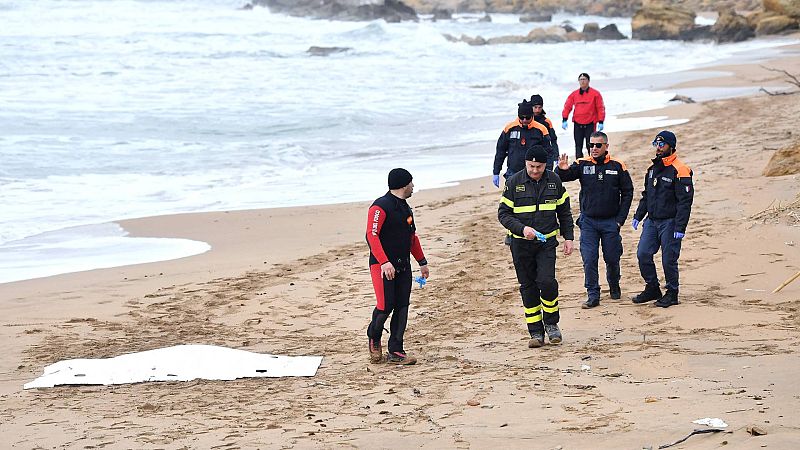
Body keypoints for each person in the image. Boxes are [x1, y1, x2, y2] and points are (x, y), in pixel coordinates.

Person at [498, 145, 574, 348]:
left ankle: (551, 324)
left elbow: (564, 211)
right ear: (525, 163)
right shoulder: (514, 183)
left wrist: (568, 237)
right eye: (531, 166)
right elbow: (503, 214)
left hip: (546, 243)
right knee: (528, 287)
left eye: (539, 167)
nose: (534, 170)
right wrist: (522, 229)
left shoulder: (554, 181)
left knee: (547, 282)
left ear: (545, 165)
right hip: (521, 244)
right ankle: (535, 332)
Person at [555, 131, 634, 309]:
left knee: (612, 258)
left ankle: (614, 284)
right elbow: (562, 177)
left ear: (606, 146)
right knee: (589, 259)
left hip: (611, 222)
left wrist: (620, 220)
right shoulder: (582, 164)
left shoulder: (618, 166)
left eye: (598, 145)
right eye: (591, 145)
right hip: (588, 222)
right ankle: (593, 294)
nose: (594, 148)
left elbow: (628, 192)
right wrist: (561, 168)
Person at [366, 168, 430, 364]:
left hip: (403, 266)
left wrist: (422, 262)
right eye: (411, 183)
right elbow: (371, 235)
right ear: (403, 185)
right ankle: (374, 336)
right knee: (385, 307)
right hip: (382, 266)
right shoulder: (380, 207)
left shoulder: (406, 208)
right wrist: (384, 262)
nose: (413, 186)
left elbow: (412, 237)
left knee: (402, 307)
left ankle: (396, 350)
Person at [631, 131, 693, 308]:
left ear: (671, 146)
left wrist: (680, 227)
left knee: (668, 259)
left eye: (661, 144)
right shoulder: (652, 170)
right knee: (643, 253)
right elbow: (647, 195)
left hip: (670, 222)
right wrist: (638, 215)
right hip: (652, 221)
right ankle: (652, 288)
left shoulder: (681, 170)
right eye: (655, 144)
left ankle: (672, 292)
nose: (658, 148)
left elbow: (685, 202)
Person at [492, 99, 553, 188]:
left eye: (527, 117)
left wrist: (548, 172)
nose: (524, 120)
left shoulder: (541, 129)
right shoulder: (509, 128)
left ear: (532, 115)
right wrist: (496, 172)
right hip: (513, 172)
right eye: (521, 117)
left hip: (534, 173)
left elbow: (549, 152)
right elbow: (500, 151)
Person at [561, 73, 606, 159]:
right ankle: (579, 164)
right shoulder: (574, 94)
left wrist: (601, 121)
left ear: (588, 81)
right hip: (578, 123)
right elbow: (567, 106)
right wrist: (564, 119)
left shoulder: (595, 94)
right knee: (578, 146)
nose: (582, 81)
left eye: (584, 79)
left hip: (590, 123)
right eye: (581, 79)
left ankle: (593, 161)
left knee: (591, 145)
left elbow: (600, 107)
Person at [530, 94, 559, 170]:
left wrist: (556, 156)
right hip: (530, 157)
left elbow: (553, 140)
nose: (537, 110)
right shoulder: (526, 121)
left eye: (540, 107)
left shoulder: (547, 122)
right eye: (535, 107)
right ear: (531, 107)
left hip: (545, 155)